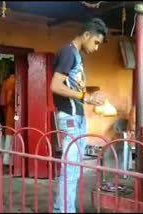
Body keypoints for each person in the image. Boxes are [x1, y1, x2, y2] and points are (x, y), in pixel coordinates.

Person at [50, 18, 108, 213]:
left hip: (77, 116)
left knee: (74, 169)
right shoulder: (68, 52)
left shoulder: (76, 55)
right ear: (86, 35)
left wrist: (91, 96)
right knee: (71, 168)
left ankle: (62, 207)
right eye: (96, 42)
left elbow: (72, 87)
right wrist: (86, 97)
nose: (96, 48)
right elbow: (56, 86)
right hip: (71, 117)